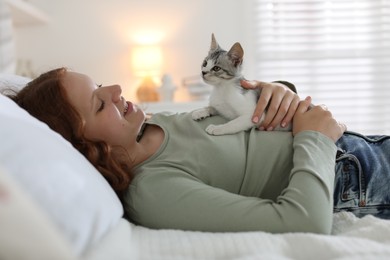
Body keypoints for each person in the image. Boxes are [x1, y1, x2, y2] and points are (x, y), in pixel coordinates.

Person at [5, 67, 390, 235]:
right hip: (357, 181)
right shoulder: (155, 192)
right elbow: (304, 223)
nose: (116, 91)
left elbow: (240, 135)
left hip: (361, 147)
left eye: (102, 84)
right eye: (99, 103)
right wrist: (316, 139)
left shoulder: (155, 123)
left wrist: (275, 92)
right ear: (87, 149)